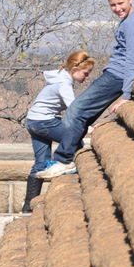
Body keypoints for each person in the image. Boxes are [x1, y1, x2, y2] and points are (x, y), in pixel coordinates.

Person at [38, 0, 134, 179]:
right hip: (114, 74)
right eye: (113, 5)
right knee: (82, 113)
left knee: (76, 111)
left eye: (120, 3)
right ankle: (68, 155)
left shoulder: (133, 24)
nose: (117, 9)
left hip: (117, 76)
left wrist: (126, 95)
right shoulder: (129, 21)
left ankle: (64, 160)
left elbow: (133, 61)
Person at [22, 51, 94, 212]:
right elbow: (73, 108)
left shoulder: (60, 78)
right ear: (75, 68)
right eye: (85, 73)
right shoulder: (64, 83)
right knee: (75, 144)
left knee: (41, 164)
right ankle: (78, 188)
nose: (86, 77)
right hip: (45, 122)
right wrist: (86, 128)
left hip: (33, 121)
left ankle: (28, 206)